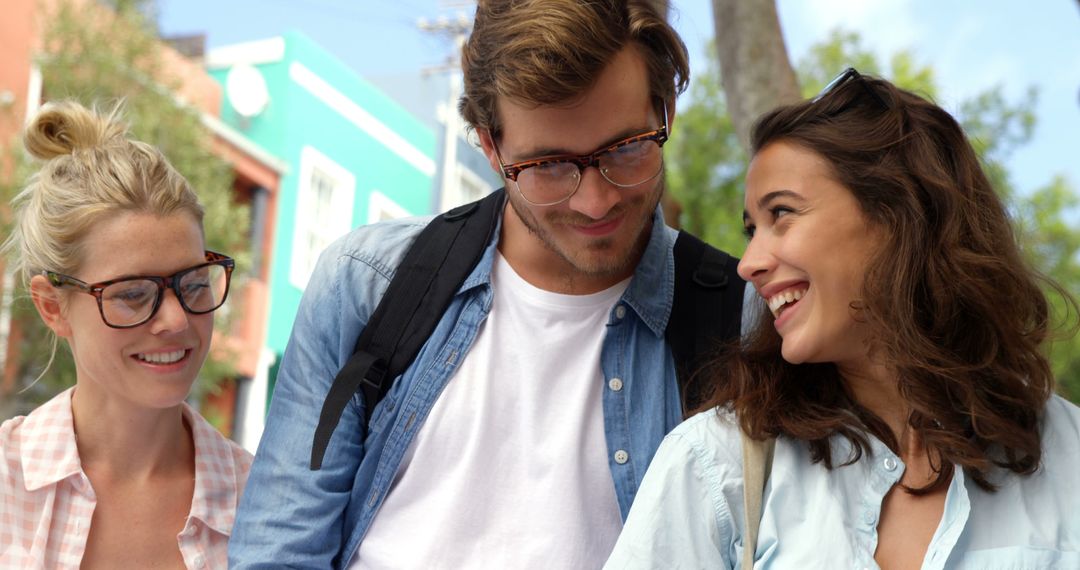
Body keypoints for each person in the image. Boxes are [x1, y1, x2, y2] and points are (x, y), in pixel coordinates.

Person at [229, 1, 747, 568]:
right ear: (490, 146)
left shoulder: (740, 324)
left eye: (626, 148)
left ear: (665, 110)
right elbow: (278, 554)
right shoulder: (365, 285)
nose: (595, 200)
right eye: (549, 164)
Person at [605, 68, 1080, 569]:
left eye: (781, 214)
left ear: (899, 217)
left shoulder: (1069, 456)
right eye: (752, 230)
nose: (748, 264)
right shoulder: (713, 465)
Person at [0, 100, 251, 569]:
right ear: (53, 306)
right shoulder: (6, 483)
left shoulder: (260, 505)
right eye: (134, 295)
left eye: (194, 284)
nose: (176, 319)